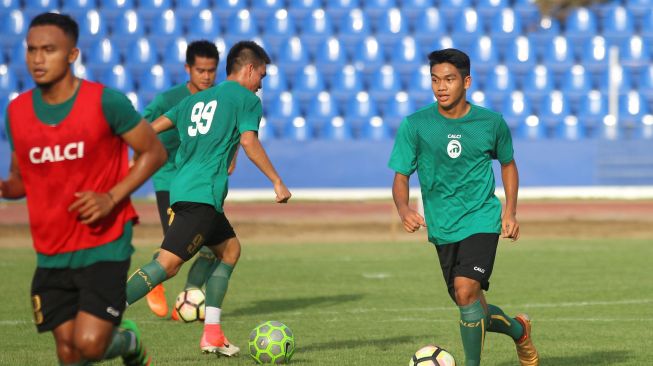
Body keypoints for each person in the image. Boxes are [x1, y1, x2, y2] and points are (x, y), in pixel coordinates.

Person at [0, 12, 167, 366]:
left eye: (49, 50)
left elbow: (154, 151)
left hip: (104, 244)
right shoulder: (17, 113)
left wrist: (111, 197)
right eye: (31, 50)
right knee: (69, 354)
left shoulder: (105, 102)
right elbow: (19, 181)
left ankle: (129, 342)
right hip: (51, 249)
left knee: (89, 345)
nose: (37, 59)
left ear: (72, 55)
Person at [125, 40, 292, 357]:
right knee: (168, 265)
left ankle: (212, 334)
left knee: (230, 250)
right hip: (202, 195)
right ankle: (105, 311)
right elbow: (249, 141)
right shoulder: (246, 99)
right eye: (262, 76)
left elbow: (154, 127)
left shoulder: (198, 100)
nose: (261, 84)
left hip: (187, 190)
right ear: (249, 69)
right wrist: (276, 180)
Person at [388, 48, 539, 366]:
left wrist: (509, 212)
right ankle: (518, 329)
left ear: (466, 81)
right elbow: (400, 176)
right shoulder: (416, 125)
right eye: (434, 80)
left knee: (466, 290)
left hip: (482, 217)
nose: (440, 87)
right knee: (468, 302)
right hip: (442, 225)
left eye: (449, 79)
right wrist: (403, 209)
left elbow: (508, 165)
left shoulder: (490, 123)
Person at [142, 40, 226, 321]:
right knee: (178, 244)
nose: (206, 76)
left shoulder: (220, 98)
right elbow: (142, 128)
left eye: (211, 71)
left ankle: (189, 297)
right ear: (188, 68)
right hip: (169, 179)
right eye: (200, 70)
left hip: (201, 182)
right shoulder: (169, 100)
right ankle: (155, 281)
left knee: (213, 249)